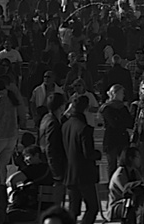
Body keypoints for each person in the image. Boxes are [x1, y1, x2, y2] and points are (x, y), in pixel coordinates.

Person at [60, 96, 98, 224]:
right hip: (84, 174)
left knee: (73, 209)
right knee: (92, 207)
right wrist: (97, 154)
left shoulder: (65, 126)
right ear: (86, 108)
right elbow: (88, 153)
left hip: (69, 173)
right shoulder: (84, 128)